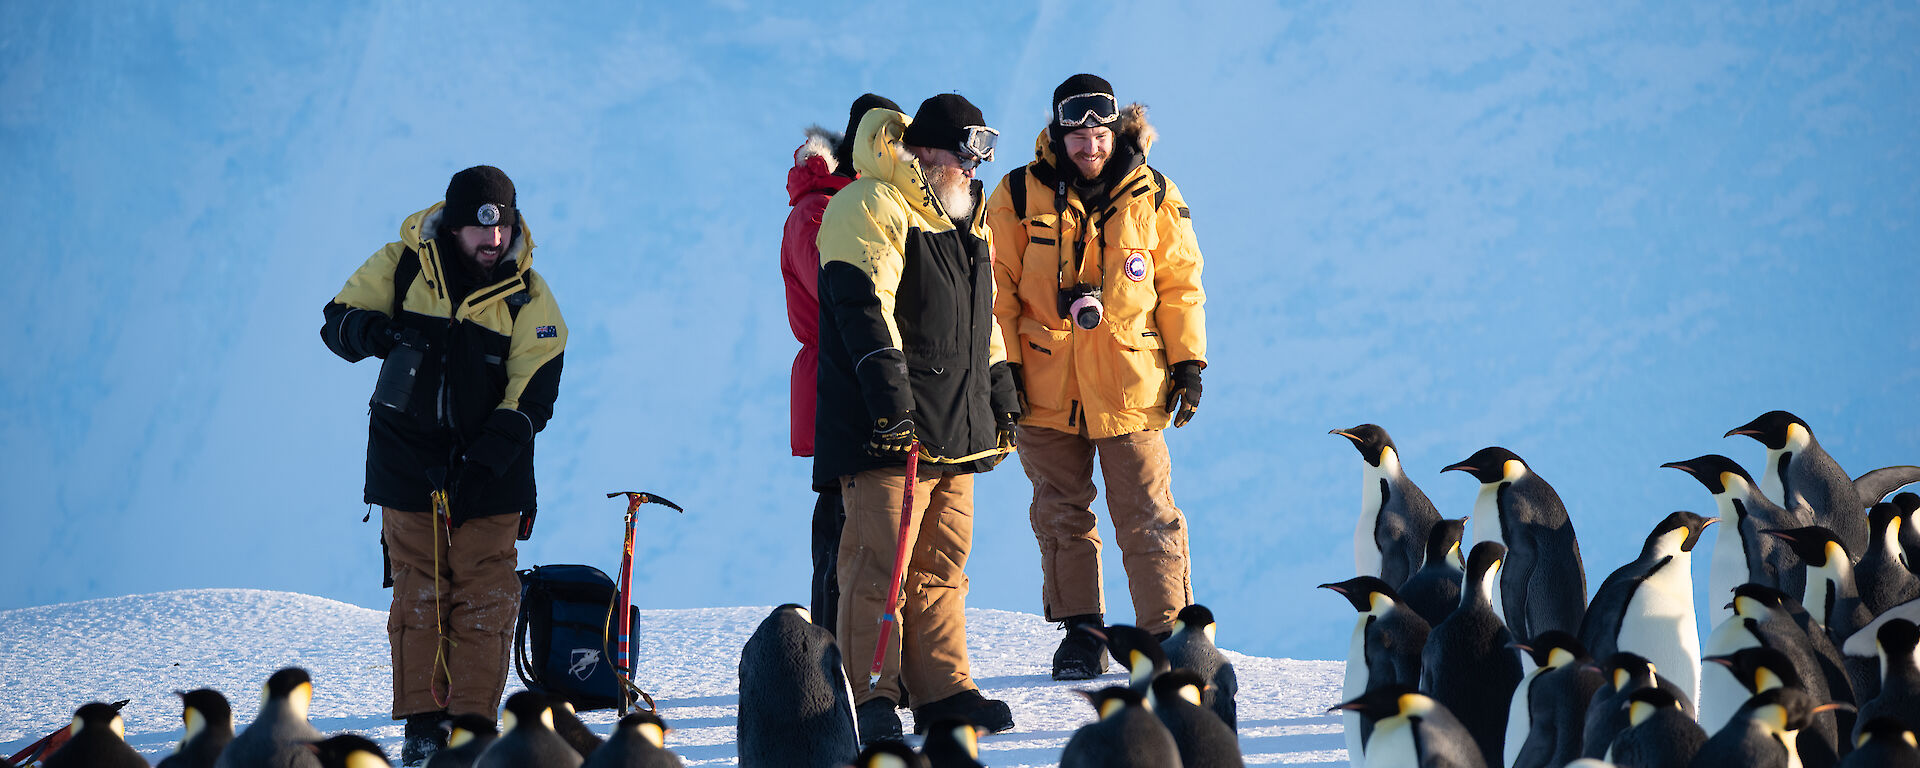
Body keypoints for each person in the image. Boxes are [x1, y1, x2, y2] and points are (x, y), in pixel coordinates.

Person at [320, 166, 566, 765]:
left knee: (484, 594)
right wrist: (379, 332)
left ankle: (472, 731)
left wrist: (487, 460)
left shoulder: (528, 296)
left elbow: (533, 393)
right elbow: (337, 321)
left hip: (492, 474)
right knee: (419, 594)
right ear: (453, 227)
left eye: (504, 228)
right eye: (482, 229)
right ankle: (423, 729)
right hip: (406, 466)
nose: (494, 240)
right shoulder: (402, 266)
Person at [983, 74, 1207, 680]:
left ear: (1116, 130)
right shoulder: (1015, 194)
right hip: (1044, 387)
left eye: (1099, 133)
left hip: (1131, 387)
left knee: (1148, 513)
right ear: (1059, 134)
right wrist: (1001, 370)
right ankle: (1082, 633)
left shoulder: (1154, 194)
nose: (1089, 147)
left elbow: (1180, 285)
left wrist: (1188, 363)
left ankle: (1166, 636)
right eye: (1077, 135)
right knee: (1061, 514)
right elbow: (995, 292)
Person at [815, 94, 1022, 742]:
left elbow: (980, 326)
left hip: (954, 434)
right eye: (965, 153)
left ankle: (942, 691)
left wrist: (1002, 396)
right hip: (889, 432)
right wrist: (891, 404)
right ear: (928, 152)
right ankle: (869, 697)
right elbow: (862, 308)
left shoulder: (966, 221)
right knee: (878, 565)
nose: (973, 167)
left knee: (941, 569)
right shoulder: (870, 204)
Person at [783, 93, 901, 635]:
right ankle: (831, 658)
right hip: (838, 383)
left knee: (875, 528)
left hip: (874, 379)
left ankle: (871, 657)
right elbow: (836, 294)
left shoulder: (885, 203)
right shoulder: (820, 209)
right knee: (840, 527)